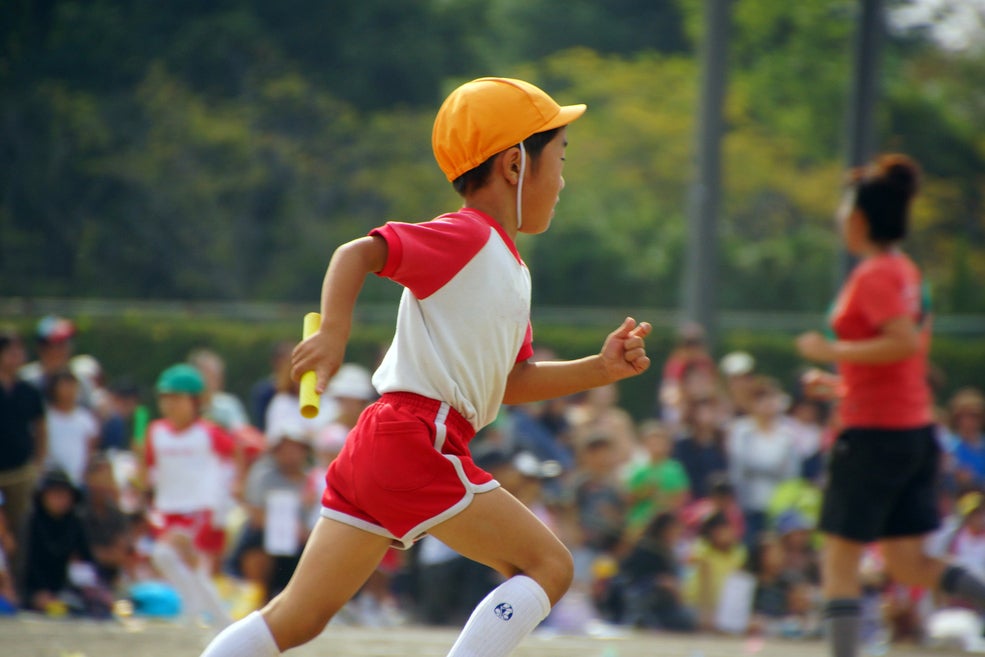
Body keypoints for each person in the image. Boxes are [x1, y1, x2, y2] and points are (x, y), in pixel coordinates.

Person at [198, 76, 653, 657]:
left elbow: (508, 383)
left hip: (384, 440)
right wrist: (333, 332)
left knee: (297, 618)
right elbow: (357, 253)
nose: (563, 180)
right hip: (419, 436)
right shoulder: (468, 236)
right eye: (560, 159)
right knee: (550, 566)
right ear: (515, 165)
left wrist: (600, 369)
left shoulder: (509, 267)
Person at [795, 154, 985, 657]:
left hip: (874, 435)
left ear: (860, 219)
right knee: (908, 563)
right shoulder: (907, 272)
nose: (840, 218)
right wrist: (842, 385)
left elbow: (901, 342)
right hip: (910, 429)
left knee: (839, 560)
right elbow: (901, 360)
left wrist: (829, 351)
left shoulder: (874, 274)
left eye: (844, 210)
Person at [142, 364, 241, 627]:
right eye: (165, 398)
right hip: (168, 509)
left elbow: (236, 452)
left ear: (194, 401)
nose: (169, 404)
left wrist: (234, 488)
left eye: (177, 398)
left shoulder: (208, 432)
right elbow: (148, 468)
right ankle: (215, 618)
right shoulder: (155, 432)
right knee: (191, 568)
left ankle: (196, 612)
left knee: (166, 555)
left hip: (200, 509)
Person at [0, 329, 47, 550]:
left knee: (21, 532)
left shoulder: (29, 391)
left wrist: (38, 463)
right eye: (12, 352)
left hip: (20, 472)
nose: (18, 356)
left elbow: (41, 428)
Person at [43, 368, 99, 486]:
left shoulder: (86, 419)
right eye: (65, 386)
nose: (69, 391)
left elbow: (91, 450)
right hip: (50, 478)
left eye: (73, 386)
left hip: (77, 480)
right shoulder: (45, 417)